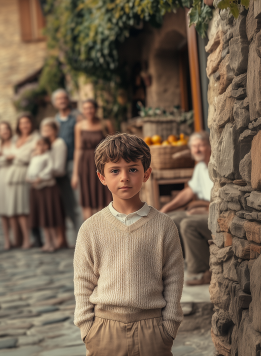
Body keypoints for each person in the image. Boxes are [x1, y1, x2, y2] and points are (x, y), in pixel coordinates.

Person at [74, 133, 184, 356]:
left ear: (146, 174)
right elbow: (83, 281)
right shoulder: (90, 228)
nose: (124, 177)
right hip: (104, 330)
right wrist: (88, 330)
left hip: (152, 329)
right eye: (115, 170)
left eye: (132, 169)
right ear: (102, 177)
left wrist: (169, 327)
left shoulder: (164, 226)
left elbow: (173, 278)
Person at [160, 131, 213, 286]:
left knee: (188, 223)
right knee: (171, 219)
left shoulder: (216, 166)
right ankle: (182, 264)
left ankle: (200, 272)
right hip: (205, 209)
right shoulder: (200, 167)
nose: (197, 150)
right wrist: (166, 208)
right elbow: (189, 192)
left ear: (209, 146)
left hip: (217, 214)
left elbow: (224, 199)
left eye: (201, 146)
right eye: (194, 146)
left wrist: (205, 210)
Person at [71, 99, 114, 220]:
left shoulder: (106, 124)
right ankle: (89, 233)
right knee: (87, 197)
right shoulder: (79, 126)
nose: (88, 111)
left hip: (102, 162)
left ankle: (104, 228)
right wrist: (75, 174)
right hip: (85, 164)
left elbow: (114, 145)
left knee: (103, 195)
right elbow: (78, 149)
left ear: (96, 109)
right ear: (83, 111)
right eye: (85, 108)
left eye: (91, 108)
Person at [6, 112, 39, 249]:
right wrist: (14, 156)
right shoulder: (14, 139)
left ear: (31, 123)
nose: (24, 125)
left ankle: (28, 239)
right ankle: (17, 239)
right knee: (13, 209)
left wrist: (15, 156)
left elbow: (30, 157)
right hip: (12, 174)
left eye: (27, 122)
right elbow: (5, 154)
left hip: (26, 173)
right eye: (21, 123)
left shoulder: (36, 138)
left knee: (24, 208)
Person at [27, 136, 65, 252]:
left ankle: (53, 242)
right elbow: (30, 169)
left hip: (47, 188)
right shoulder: (34, 157)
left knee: (50, 216)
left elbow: (50, 168)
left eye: (43, 144)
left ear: (48, 146)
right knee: (43, 217)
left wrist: (40, 178)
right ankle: (47, 242)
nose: (41, 147)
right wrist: (29, 178)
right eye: (38, 144)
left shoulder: (48, 155)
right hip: (36, 189)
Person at [41, 117, 74, 246]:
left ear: (55, 130)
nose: (46, 132)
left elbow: (59, 168)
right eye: (44, 130)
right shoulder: (44, 144)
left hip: (59, 180)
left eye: (49, 129)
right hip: (48, 181)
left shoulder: (59, 143)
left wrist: (43, 174)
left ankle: (62, 238)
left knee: (61, 210)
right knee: (54, 211)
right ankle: (58, 239)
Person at [0, 121, 15, 250]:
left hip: (12, 176)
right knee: (3, 212)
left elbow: (16, 157)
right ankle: (7, 240)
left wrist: (4, 157)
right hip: (0, 177)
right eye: (1, 129)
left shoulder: (16, 142)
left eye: (6, 128)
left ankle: (17, 238)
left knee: (12, 210)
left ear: (10, 130)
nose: (4, 131)